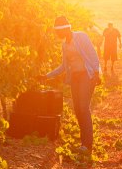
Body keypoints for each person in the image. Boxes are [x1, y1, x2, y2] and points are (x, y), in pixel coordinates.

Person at [39, 16, 101, 154]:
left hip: (86, 76)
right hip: (75, 78)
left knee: (84, 108)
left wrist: (96, 73)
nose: (57, 35)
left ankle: (87, 145)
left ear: (65, 29)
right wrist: (47, 76)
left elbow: (93, 55)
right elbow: (63, 66)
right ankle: (83, 143)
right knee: (78, 110)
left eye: (58, 31)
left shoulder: (81, 37)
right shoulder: (64, 45)